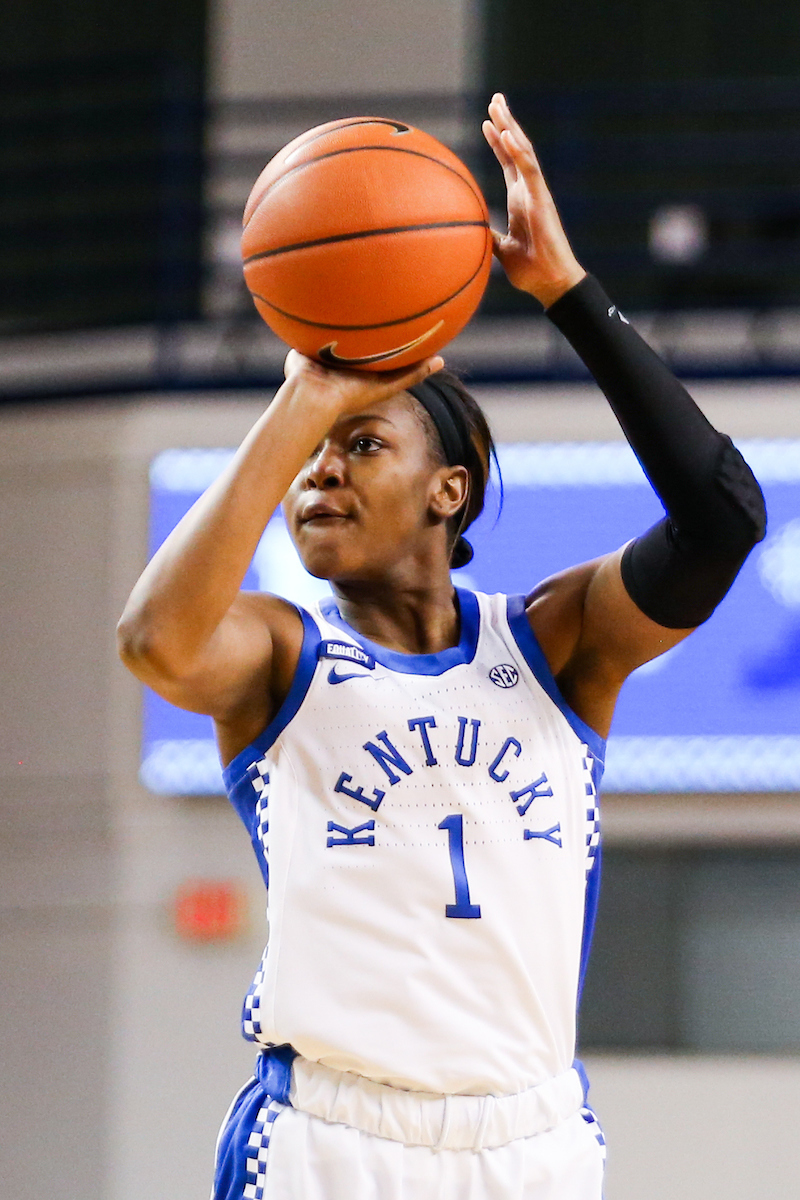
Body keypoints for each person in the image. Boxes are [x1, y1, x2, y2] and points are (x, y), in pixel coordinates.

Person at [117, 94, 766, 1200]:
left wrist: (567, 292)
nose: (319, 471)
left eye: (360, 444)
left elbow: (723, 517)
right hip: (332, 1141)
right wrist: (302, 401)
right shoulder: (282, 659)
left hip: (530, 1143)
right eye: (308, 456)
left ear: (447, 491)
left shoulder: (553, 644)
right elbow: (153, 641)